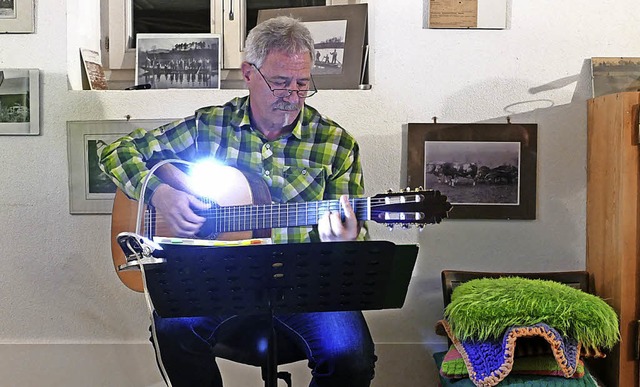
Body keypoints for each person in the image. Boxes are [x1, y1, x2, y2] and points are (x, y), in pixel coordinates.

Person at [99, 16, 376, 387]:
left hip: (304, 286)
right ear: (248, 73)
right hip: (216, 279)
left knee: (351, 357)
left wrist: (343, 244)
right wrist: (161, 195)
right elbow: (117, 152)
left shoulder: (337, 144)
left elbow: (356, 242)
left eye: (302, 84)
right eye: (280, 83)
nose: (292, 96)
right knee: (172, 328)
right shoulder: (209, 126)